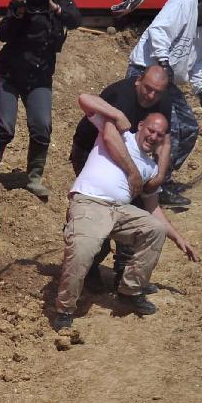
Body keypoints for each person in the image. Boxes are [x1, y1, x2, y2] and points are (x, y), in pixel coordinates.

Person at [54, 99, 197, 331]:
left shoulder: (149, 167)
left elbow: (153, 209)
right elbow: (83, 99)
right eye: (151, 130)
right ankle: (65, 308)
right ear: (141, 126)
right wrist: (118, 113)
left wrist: (178, 238)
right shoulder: (120, 134)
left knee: (155, 229)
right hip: (90, 202)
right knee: (83, 251)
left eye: (160, 135)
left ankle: (130, 291)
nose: (153, 136)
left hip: (119, 210)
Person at [127, 0, 202, 207]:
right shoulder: (181, 4)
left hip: (168, 79)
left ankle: (162, 177)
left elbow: (201, 62)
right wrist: (163, 61)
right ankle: (155, 187)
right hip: (146, 72)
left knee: (190, 129)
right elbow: (159, 31)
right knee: (169, 129)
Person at [69, 64, 172, 291]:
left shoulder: (162, 101)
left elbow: (166, 139)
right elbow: (109, 137)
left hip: (127, 156)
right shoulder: (121, 95)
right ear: (138, 81)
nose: (151, 95)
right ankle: (90, 267)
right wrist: (133, 173)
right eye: (148, 89)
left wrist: (160, 175)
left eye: (157, 92)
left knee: (133, 207)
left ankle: (124, 273)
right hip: (91, 151)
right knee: (101, 208)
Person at [0, 0, 82, 199]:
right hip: (9, 73)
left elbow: (75, 19)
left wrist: (55, 8)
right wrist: (17, 11)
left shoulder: (61, 0)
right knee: (4, 126)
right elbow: (2, 34)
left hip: (39, 75)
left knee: (42, 126)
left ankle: (34, 176)